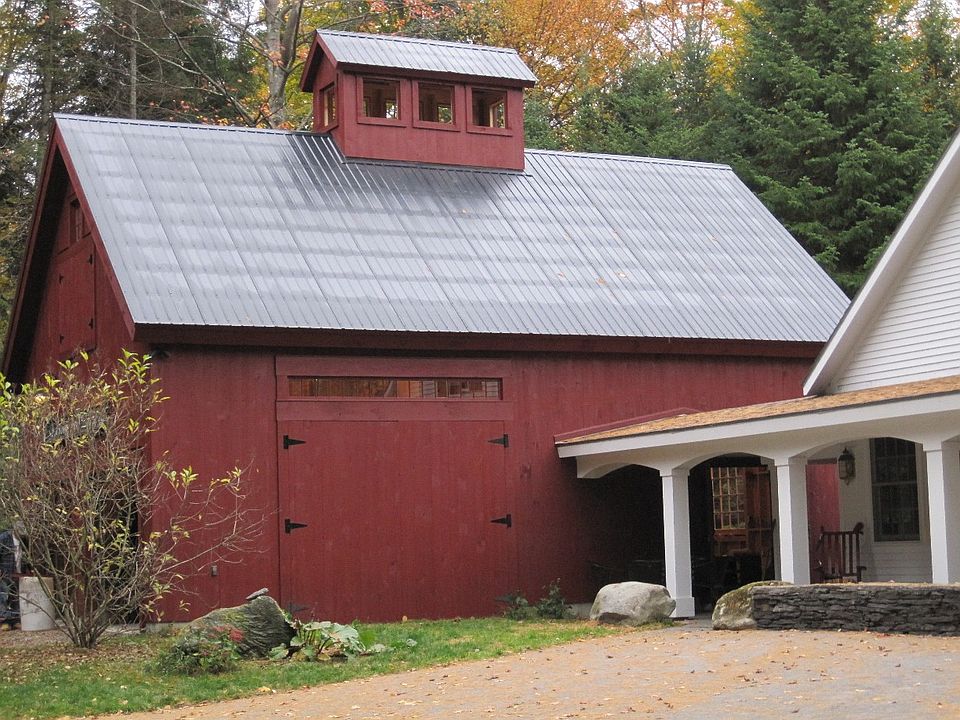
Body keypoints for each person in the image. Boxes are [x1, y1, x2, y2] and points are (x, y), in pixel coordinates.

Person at [0, 527, 20, 627]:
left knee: (16, 597)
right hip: (5, 573)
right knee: (3, 597)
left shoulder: (24, 540)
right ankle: (5, 622)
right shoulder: (4, 538)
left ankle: (15, 620)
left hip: (18, 572)